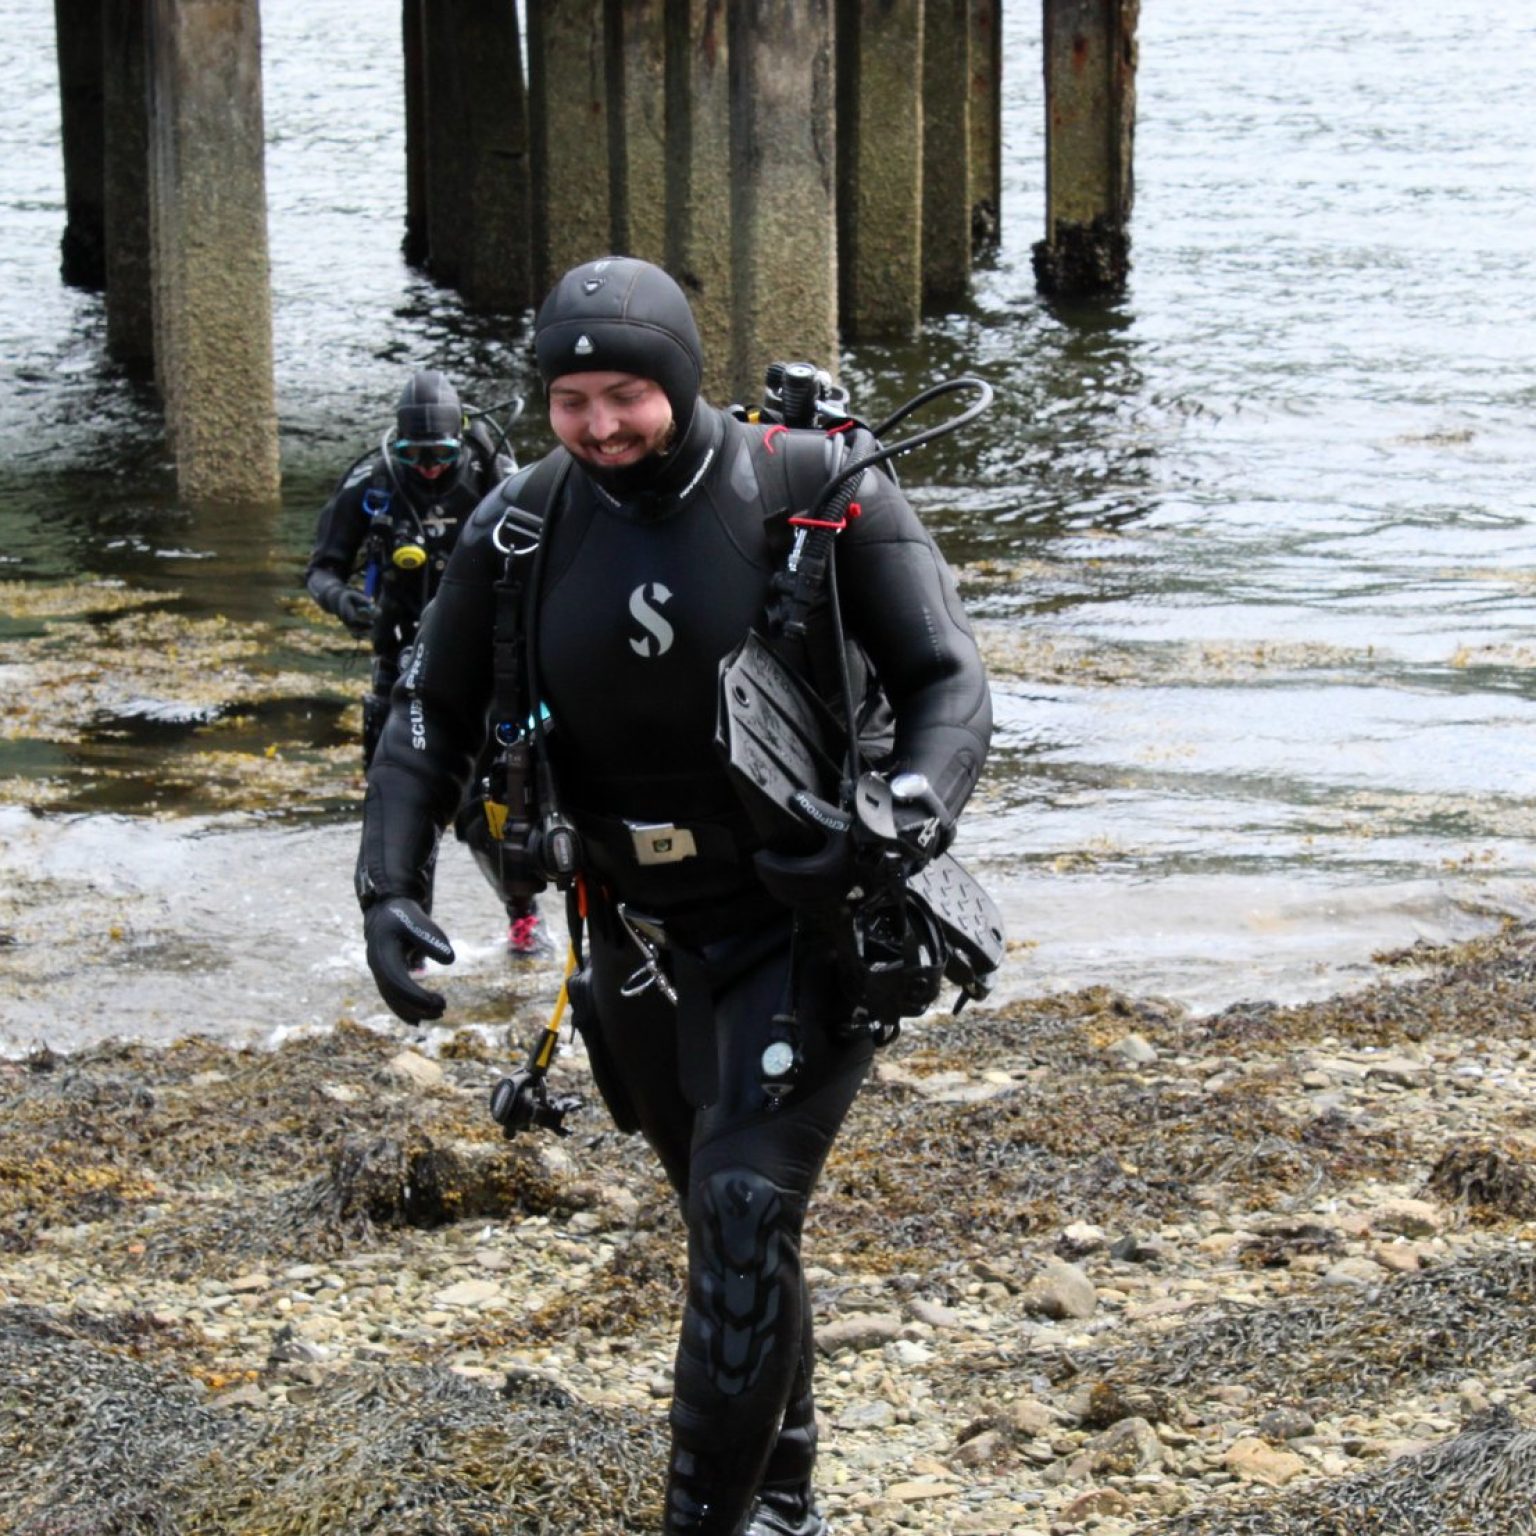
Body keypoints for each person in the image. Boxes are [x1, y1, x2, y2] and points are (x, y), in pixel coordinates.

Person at [355, 259, 993, 1535]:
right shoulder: (522, 525)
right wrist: (389, 881)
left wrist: (899, 819)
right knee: (722, 1219)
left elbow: (947, 679)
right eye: (571, 400)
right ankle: (785, 1501)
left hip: (803, 912)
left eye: (626, 396)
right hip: (632, 932)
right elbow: (426, 712)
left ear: (683, 379)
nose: (599, 427)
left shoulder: (812, 488)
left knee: (746, 1207)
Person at [306, 369, 547, 956]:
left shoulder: (494, 479)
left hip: (483, 668)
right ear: (397, 446)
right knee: (404, 813)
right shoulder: (374, 484)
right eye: (416, 455)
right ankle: (410, 940)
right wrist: (344, 602)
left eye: (441, 454)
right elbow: (321, 569)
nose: (430, 469)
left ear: (460, 440)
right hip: (400, 663)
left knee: (490, 809)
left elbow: (544, 559)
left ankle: (523, 916)